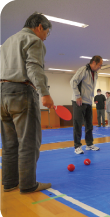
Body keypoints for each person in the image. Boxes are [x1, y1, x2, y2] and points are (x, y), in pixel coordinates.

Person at [0, 13, 54, 193]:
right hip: (21, 93)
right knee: (28, 141)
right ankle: (28, 184)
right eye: (47, 32)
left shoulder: (7, 41)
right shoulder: (34, 41)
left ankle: (9, 183)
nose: (46, 37)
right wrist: (44, 93)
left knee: (9, 143)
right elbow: (33, 67)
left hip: (1, 94)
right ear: (39, 27)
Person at [70, 56, 103, 154]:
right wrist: (78, 96)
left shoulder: (95, 73)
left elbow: (90, 88)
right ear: (93, 62)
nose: (100, 67)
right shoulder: (83, 70)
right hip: (79, 101)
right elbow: (73, 82)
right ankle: (77, 146)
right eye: (99, 65)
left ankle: (89, 144)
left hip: (88, 101)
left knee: (89, 124)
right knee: (78, 124)